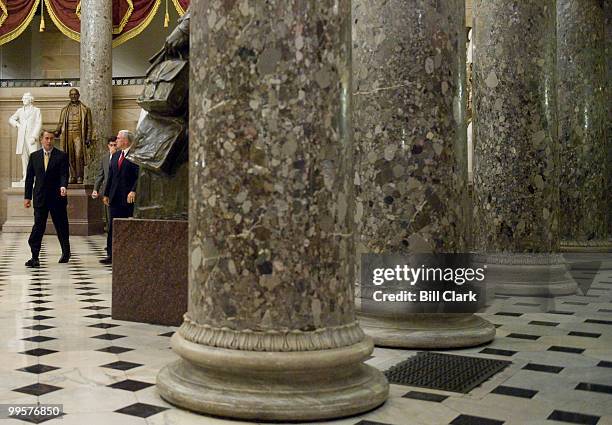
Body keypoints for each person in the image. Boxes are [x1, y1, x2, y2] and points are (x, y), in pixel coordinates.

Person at [24, 130, 71, 267]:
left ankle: (66, 252)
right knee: (38, 227)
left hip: (57, 197)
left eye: (51, 138)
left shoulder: (61, 156)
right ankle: (34, 257)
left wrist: (63, 186)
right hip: (40, 198)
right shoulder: (34, 156)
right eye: (46, 138)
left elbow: (64, 174)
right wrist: (27, 197)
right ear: (41, 140)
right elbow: (29, 179)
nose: (49, 141)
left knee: (61, 226)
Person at [100, 130, 139, 264]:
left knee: (127, 226)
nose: (116, 140)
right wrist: (106, 194)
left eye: (119, 138)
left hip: (128, 197)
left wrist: (133, 190)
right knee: (113, 226)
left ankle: (127, 254)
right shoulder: (116, 155)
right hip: (115, 197)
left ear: (126, 141)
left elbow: (140, 176)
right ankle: (111, 255)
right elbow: (110, 176)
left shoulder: (135, 156)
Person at [54, 88, 93, 184]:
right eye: (71, 94)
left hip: (79, 135)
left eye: (75, 94)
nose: (73, 96)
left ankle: (80, 176)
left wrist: (88, 138)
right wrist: (56, 132)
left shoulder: (85, 109)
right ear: (69, 96)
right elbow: (60, 123)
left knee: (78, 155)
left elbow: (89, 126)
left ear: (78, 95)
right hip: (68, 135)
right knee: (69, 156)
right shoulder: (64, 110)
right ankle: (73, 176)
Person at [8, 93, 42, 182]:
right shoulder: (20, 111)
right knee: (24, 158)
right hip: (22, 138)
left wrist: (34, 137)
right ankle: (26, 176)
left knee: (34, 157)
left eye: (25, 98)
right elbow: (11, 119)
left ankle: (35, 176)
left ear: (30, 99)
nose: (23, 100)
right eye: (23, 98)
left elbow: (38, 124)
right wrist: (17, 124)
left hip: (31, 137)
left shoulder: (36, 110)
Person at [92, 137, 118, 235]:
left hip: (118, 191)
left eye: (115, 145)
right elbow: (100, 175)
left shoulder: (122, 157)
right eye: (111, 145)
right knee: (108, 216)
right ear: (108, 146)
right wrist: (96, 189)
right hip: (107, 191)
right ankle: (110, 240)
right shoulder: (105, 158)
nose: (113, 147)